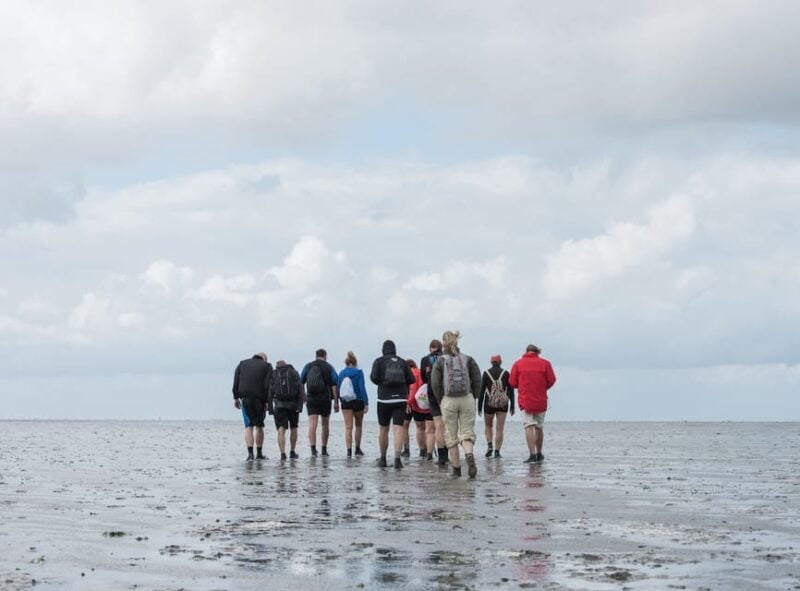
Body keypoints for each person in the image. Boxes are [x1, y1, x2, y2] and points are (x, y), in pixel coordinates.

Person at [430, 331, 481, 478]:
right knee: (467, 433)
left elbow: (434, 382)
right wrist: (474, 396)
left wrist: (441, 399)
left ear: (443, 343)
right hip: (467, 398)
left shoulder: (440, 360)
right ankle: (469, 454)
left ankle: (456, 469)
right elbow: (477, 379)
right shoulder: (468, 359)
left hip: (448, 400)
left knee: (451, 436)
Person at [370, 339, 415, 469]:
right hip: (400, 399)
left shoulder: (379, 361)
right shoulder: (401, 361)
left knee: (384, 429)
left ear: (383, 350)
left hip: (384, 399)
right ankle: (397, 459)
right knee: (398, 429)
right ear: (395, 349)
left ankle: (383, 459)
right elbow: (411, 379)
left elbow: (373, 378)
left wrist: (383, 383)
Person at [509, 344, 557, 463]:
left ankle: (532, 454)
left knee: (528, 426)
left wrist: (522, 386)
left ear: (526, 351)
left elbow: (512, 382)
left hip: (525, 400)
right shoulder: (545, 363)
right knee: (539, 427)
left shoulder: (518, 364)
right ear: (537, 352)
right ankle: (539, 453)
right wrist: (542, 387)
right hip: (540, 400)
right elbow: (552, 380)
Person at [232, 352, 273, 461]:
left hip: (246, 399)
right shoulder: (267, 366)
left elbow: (236, 381)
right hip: (260, 400)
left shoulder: (242, 364)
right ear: (264, 359)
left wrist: (235, 397)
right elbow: (268, 385)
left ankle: (250, 455)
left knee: (248, 426)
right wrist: (268, 402)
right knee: (259, 426)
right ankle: (259, 454)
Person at [300, 349, 339, 457]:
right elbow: (334, 384)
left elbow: (301, 381)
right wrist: (336, 401)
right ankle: (324, 449)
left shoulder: (308, 366)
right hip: (325, 399)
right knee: (325, 424)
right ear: (325, 356)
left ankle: (313, 450)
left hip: (311, 399)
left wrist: (304, 396)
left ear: (316, 356)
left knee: (312, 424)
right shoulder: (329, 367)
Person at [478, 354, 515, 458]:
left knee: (488, 426)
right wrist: (513, 406)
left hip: (488, 404)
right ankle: (497, 452)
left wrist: (479, 406)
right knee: (499, 428)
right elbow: (511, 391)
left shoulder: (486, 373)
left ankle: (490, 445)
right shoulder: (506, 373)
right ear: (500, 362)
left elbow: (481, 391)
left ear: (491, 362)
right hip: (503, 405)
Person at [268, 360, 304, 461]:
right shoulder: (293, 372)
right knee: (294, 428)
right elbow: (300, 389)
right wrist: (300, 406)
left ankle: (282, 454)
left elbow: (270, 391)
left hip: (279, 406)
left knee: (281, 429)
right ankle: (292, 451)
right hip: (293, 405)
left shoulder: (274, 374)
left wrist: (270, 409)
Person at [420, 339, 447, 465]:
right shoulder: (446, 357)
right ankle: (447, 453)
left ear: (430, 348)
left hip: (432, 393)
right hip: (446, 394)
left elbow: (423, 378)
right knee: (445, 425)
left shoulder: (425, 359)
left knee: (435, 427)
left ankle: (434, 455)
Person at [338, 351, 369, 458]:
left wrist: (338, 401)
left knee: (348, 427)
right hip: (358, 401)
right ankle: (357, 449)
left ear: (346, 363)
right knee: (358, 425)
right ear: (355, 363)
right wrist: (366, 402)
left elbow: (339, 389)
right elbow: (362, 388)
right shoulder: (359, 373)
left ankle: (349, 451)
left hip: (346, 402)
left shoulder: (341, 373)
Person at [407, 359, 435, 459]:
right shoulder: (421, 372)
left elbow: (412, 391)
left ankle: (422, 451)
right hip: (429, 405)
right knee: (430, 430)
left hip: (416, 406)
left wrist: (409, 402)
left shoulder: (411, 373)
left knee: (420, 429)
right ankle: (429, 453)